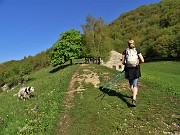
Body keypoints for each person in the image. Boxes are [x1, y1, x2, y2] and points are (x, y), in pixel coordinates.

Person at [121, 39, 144, 106]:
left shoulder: (125, 51)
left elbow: (122, 62)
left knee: (131, 84)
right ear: (134, 44)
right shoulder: (137, 50)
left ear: (128, 44)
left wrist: (126, 64)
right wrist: (137, 62)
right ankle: (134, 99)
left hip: (128, 69)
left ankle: (133, 94)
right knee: (135, 84)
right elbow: (142, 60)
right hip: (136, 69)